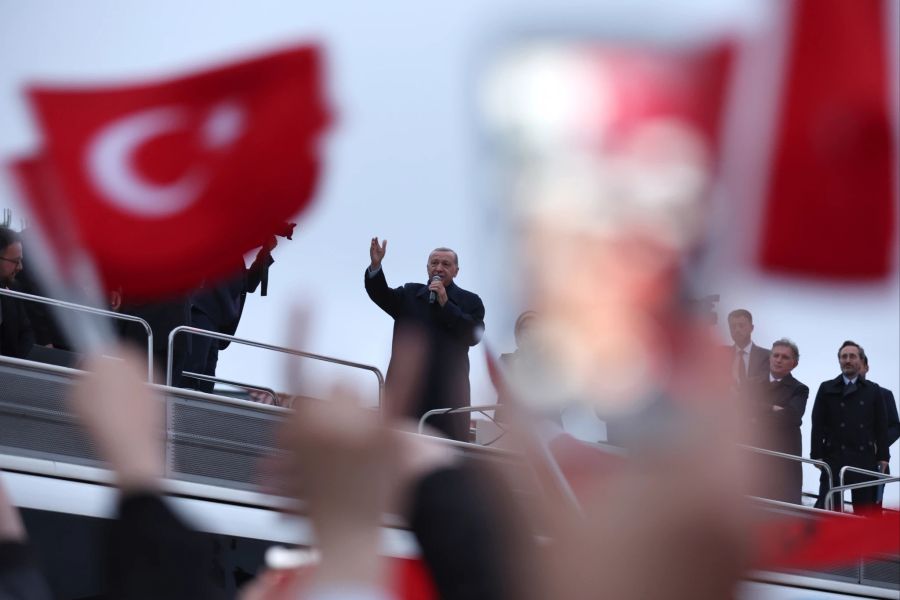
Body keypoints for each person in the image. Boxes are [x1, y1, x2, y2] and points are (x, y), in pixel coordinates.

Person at [364, 238, 485, 442]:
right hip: (408, 394)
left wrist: (446, 304)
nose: (439, 268)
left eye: (446, 264)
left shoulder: (470, 301)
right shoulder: (410, 294)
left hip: (447, 400)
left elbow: (474, 334)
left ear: (456, 270)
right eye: (434, 263)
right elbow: (381, 294)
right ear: (427, 268)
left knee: (445, 460)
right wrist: (376, 266)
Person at [184, 238, 275, 393]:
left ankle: (198, 411)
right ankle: (182, 407)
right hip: (201, 313)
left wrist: (265, 252)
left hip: (215, 322)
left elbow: (249, 284)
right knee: (193, 371)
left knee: (207, 377)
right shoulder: (220, 246)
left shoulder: (234, 260)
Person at [810, 340, 890, 511]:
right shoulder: (826, 388)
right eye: (843, 356)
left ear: (860, 361)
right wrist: (816, 454)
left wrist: (883, 457)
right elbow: (817, 423)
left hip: (864, 459)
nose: (847, 360)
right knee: (829, 512)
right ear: (839, 360)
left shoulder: (873, 390)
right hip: (834, 457)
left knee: (865, 516)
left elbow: (881, 427)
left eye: (852, 356)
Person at [744, 338, 808, 504]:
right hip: (752, 461)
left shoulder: (799, 389)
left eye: (785, 357)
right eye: (776, 355)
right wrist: (772, 408)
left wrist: (757, 412)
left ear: (794, 363)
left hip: (782, 467)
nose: (779, 360)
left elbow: (791, 416)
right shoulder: (751, 384)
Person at [859, 354, 900, 506]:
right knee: (831, 508)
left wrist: (877, 443)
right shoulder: (836, 393)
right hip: (841, 461)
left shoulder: (884, 394)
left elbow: (896, 426)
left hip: (874, 462)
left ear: (866, 368)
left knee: (870, 511)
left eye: (860, 365)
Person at [0, 227, 35, 359]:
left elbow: (26, 331)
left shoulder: (14, 289)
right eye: (15, 261)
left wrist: (18, 367)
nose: (20, 267)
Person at [726, 309, 770, 385]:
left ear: (751, 328)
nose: (737, 330)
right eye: (733, 326)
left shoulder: (766, 356)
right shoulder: (722, 354)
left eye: (741, 325)